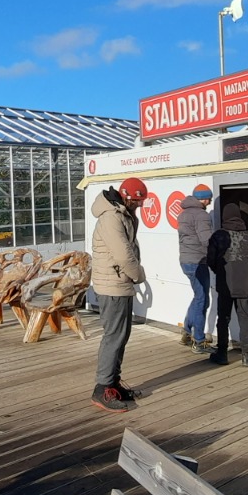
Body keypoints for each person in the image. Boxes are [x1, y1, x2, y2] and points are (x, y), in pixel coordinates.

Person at [89, 176, 148, 411]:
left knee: (121, 336)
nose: (141, 206)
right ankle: (102, 389)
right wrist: (139, 275)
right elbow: (124, 254)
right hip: (112, 285)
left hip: (118, 283)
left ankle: (113, 383)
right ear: (128, 197)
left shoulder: (121, 214)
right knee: (114, 336)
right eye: (139, 201)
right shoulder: (111, 218)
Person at [209, 202, 248, 367]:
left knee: (223, 319)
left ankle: (222, 354)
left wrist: (220, 271)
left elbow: (210, 261)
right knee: (245, 320)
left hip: (225, 285)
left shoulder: (218, 236)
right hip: (244, 286)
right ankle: (247, 356)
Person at [177, 184, 214, 351]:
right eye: (210, 199)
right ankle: (198, 341)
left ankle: (187, 331)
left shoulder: (184, 213)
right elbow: (207, 240)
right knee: (202, 299)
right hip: (198, 261)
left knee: (198, 295)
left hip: (185, 260)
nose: (210, 202)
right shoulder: (201, 215)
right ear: (205, 199)